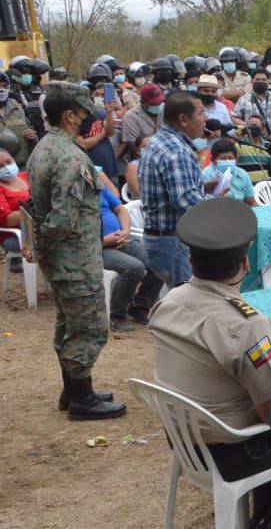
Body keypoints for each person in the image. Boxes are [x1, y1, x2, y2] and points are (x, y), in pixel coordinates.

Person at [150, 198, 271, 528]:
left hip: (186, 442)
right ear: (246, 263)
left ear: (191, 259)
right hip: (234, 451)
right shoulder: (247, 325)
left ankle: (265, 513)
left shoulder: (170, 301)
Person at [25, 82, 126, 420]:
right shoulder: (68, 156)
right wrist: (49, 248)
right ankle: (83, 399)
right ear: (70, 115)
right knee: (88, 325)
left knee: (68, 322)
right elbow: (64, 217)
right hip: (74, 256)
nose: (88, 117)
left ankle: (74, 388)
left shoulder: (46, 146)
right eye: (84, 112)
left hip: (63, 256)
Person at [139, 91, 225, 287]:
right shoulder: (176, 150)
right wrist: (222, 208)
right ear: (183, 119)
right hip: (171, 241)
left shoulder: (162, 140)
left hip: (165, 238)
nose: (205, 119)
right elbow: (185, 200)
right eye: (201, 114)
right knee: (186, 305)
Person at [98, 184, 160, 330]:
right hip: (95, 247)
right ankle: (117, 314)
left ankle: (140, 305)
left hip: (121, 239)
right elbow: (72, 235)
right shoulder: (72, 197)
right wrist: (104, 240)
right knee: (134, 267)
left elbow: (121, 209)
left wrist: (125, 230)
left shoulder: (100, 189)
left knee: (159, 261)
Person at [234, 69, 271, 142]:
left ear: (268, 81)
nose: (260, 81)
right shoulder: (244, 99)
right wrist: (247, 125)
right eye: (257, 79)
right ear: (252, 81)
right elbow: (235, 118)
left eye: (263, 79)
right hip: (251, 141)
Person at [201, 138, 257, 206]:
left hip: (241, 212)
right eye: (223, 158)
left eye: (230, 158)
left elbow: (251, 202)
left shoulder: (242, 174)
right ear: (213, 160)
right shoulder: (206, 175)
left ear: (236, 159)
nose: (227, 161)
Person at [0, 147, 29, 266]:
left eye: (8, 162)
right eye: (0, 166)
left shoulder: (26, 176)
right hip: (15, 235)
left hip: (37, 228)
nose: (7, 168)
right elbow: (7, 220)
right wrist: (32, 209)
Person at [0, 72, 36, 167]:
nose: (2, 90)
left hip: (24, 166)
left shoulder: (16, 107)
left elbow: (29, 130)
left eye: (4, 86)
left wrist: (32, 137)